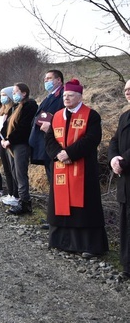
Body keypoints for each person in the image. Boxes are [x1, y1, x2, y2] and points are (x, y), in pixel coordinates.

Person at [45, 79, 108, 257]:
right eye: (64, 95)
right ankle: (62, 241)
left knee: (84, 206)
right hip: (60, 167)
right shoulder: (57, 116)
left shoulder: (91, 115)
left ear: (80, 97)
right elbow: (49, 139)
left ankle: (88, 246)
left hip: (83, 167)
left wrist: (69, 153)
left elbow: (91, 139)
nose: (66, 98)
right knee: (61, 203)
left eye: (70, 95)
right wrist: (58, 154)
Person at [1, 83, 38, 215]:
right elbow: (7, 125)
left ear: (24, 93)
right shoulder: (16, 107)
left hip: (21, 144)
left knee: (21, 173)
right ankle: (20, 199)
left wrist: (10, 139)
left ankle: (25, 202)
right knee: (14, 172)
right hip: (11, 144)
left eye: (16, 91)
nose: (14, 94)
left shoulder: (30, 106)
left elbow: (24, 128)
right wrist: (5, 138)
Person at [109, 79, 130, 276]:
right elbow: (114, 140)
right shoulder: (125, 116)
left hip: (127, 168)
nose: (127, 92)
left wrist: (123, 161)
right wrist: (113, 158)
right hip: (125, 180)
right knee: (126, 222)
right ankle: (127, 265)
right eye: (126, 90)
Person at [29, 69, 65, 184]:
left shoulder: (63, 95)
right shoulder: (49, 96)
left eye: (49, 79)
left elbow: (62, 114)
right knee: (50, 176)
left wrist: (50, 125)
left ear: (58, 80)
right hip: (44, 141)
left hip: (55, 141)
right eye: (45, 79)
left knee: (56, 178)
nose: (46, 81)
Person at [0, 86, 17, 205]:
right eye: (1, 95)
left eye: (4, 95)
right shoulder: (1, 110)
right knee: (7, 170)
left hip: (9, 142)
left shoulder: (12, 110)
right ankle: (10, 193)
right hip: (2, 142)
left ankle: (15, 194)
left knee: (12, 169)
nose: (2, 97)